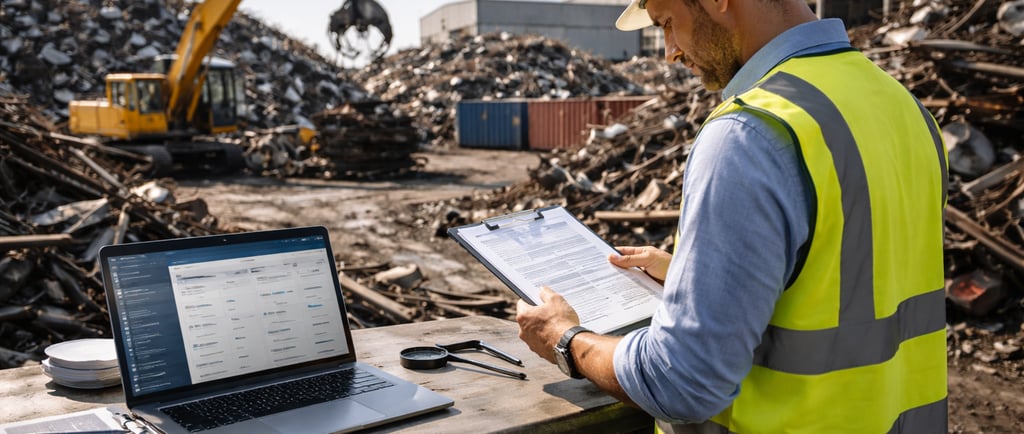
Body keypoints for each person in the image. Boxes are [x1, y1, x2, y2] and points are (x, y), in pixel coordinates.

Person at [514, 0, 949, 432]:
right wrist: (699, 278)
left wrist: (566, 339)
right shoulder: (905, 108)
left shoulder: (750, 133)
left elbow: (681, 382)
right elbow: (852, 278)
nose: (670, 52)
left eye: (668, 23)